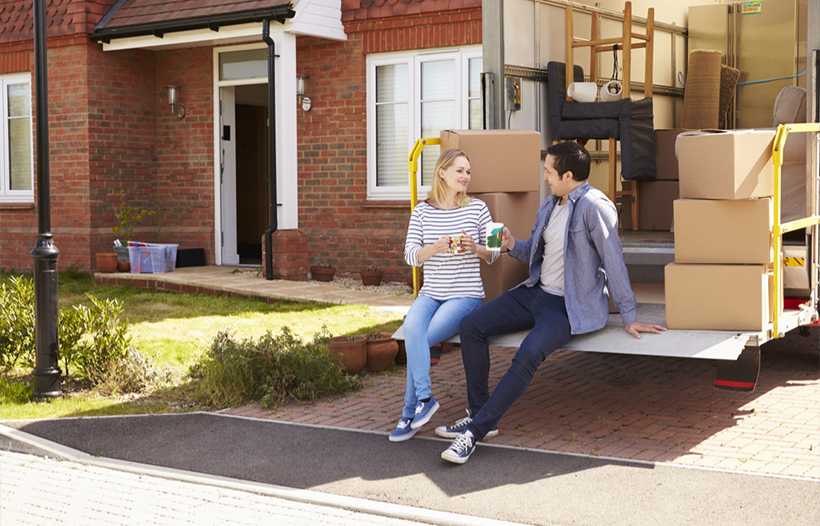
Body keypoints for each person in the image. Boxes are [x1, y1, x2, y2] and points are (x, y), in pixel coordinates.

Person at [437, 141, 665, 463]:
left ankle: (474, 432)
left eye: (548, 172)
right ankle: (480, 415)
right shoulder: (550, 205)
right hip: (536, 291)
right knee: (471, 326)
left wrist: (629, 315)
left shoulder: (594, 207)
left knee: (529, 352)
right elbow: (534, 251)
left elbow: (614, 262)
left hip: (567, 306)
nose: (544, 177)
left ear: (568, 175)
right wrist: (511, 243)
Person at [389, 148, 499, 442]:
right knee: (411, 327)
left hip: (466, 295)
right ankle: (425, 400)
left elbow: (495, 253)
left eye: (468, 172)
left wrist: (475, 246)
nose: (465, 177)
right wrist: (434, 248)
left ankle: (408, 413)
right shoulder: (422, 211)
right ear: (442, 173)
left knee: (420, 340)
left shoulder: (479, 208)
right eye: (460, 171)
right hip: (431, 293)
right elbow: (411, 256)